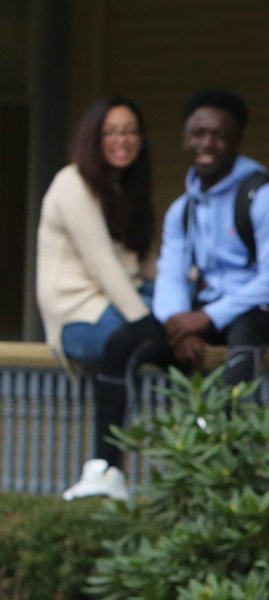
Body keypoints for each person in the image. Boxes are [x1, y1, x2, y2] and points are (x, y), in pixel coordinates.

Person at [81, 89, 269, 489]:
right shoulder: (182, 208)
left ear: (236, 141)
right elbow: (170, 274)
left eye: (219, 135)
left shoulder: (264, 196)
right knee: (123, 342)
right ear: (185, 139)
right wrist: (177, 324)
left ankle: (225, 472)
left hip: (268, 310)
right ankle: (105, 471)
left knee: (246, 334)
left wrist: (204, 318)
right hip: (205, 314)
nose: (207, 143)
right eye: (198, 133)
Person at [37, 97, 155, 500]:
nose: (122, 140)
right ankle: (104, 468)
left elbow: (143, 262)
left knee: (184, 326)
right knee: (140, 340)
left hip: (121, 299)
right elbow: (102, 263)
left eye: (130, 131)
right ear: (93, 138)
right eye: (111, 132)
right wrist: (146, 322)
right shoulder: (71, 184)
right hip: (78, 314)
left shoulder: (125, 186)